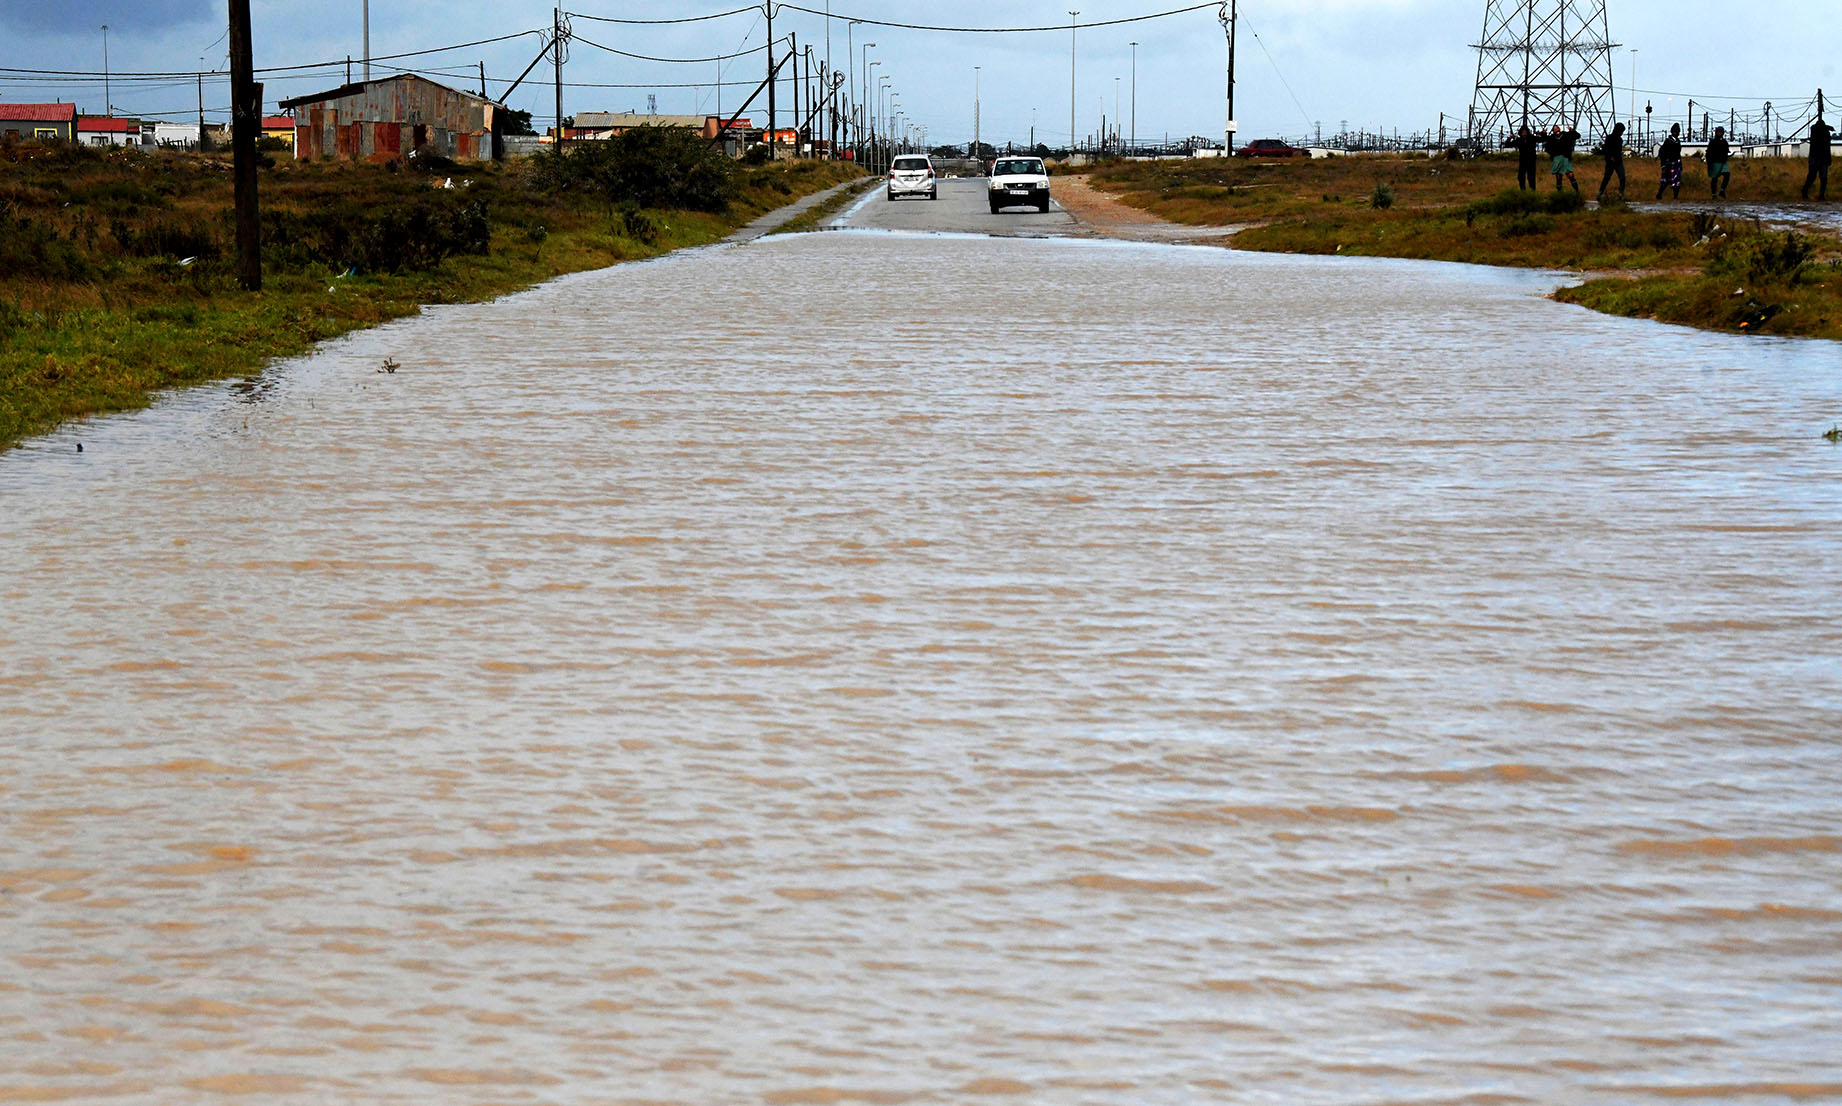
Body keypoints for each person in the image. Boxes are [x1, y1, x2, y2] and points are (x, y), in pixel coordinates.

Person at [1803, 115, 1833, 201]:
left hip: (1816, 159)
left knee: (1813, 177)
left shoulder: (1815, 132)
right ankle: (1820, 195)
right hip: (1822, 159)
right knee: (1822, 178)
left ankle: (1807, 193)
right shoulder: (1824, 133)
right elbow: (1827, 148)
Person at [1505, 126, 1540, 190]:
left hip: (1531, 160)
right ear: (1520, 133)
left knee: (1531, 176)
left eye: (1525, 132)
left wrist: (1540, 134)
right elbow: (1507, 145)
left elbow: (1541, 140)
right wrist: (1509, 138)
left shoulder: (1532, 138)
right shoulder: (1519, 140)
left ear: (1527, 132)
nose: (1524, 133)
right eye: (1523, 132)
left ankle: (1532, 191)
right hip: (1523, 160)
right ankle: (1523, 190)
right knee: (1521, 177)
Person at [1548, 124, 1581, 192]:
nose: (1556, 130)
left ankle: (1577, 191)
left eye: (1557, 128)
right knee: (1558, 177)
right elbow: (1546, 143)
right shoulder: (1552, 138)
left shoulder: (1566, 135)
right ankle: (1560, 194)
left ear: (1559, 129)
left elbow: (1577, 136)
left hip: (1565, 157)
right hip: (1557, 158)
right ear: (1553, 131)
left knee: (1571, 175)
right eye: (1554, 129)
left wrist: (1572, 131)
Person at [1656, 123, 1684, 200]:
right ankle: (1659, 194)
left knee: (1677, 181)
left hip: (1676, 163)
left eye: (1677, 132)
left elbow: (1678, 153)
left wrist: (1680, 164)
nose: (1676, 133)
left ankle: (1675, 197)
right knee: (1666, 181)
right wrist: (1663, 163)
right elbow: (1662, 152)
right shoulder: (1667, 141)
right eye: (1675, 132)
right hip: (1668, 163)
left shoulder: (1678, 142)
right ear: (1672, 132)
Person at [1598, 122, 1626, 198]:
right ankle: (1600, 192)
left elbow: (1618, 151)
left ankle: (1621, 193)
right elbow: (1606, 149)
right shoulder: (1610, 138)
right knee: (1607, 177)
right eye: (1621, 132)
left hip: (1618, 161)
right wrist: (1610, 157)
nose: (1621, 133)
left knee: (1622, 177)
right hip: (1611, 161)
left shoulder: (1619, 139)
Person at [1706, 126, 1731, 199]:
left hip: (1723, 162)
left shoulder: (1724, 142)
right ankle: (1714, 194)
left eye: (1721, 132)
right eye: (1718, 132)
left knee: (1727, 174)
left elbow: (1727, 151)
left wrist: (1726, 156)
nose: (1719, 133)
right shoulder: (1713, 142)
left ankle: (1722, 190)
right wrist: (1709, 162)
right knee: (1714, 178)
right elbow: (1709, 152)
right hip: (1714, 162)